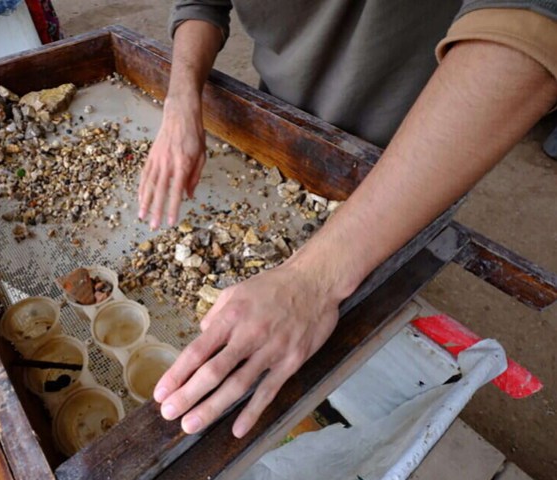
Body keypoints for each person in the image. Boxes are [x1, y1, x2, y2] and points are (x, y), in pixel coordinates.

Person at [138, 1, 557, 439]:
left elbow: (529, 25)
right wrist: (182, 98)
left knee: (357, 321)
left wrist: (312, 279)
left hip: (412, 154)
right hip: (278, 114)